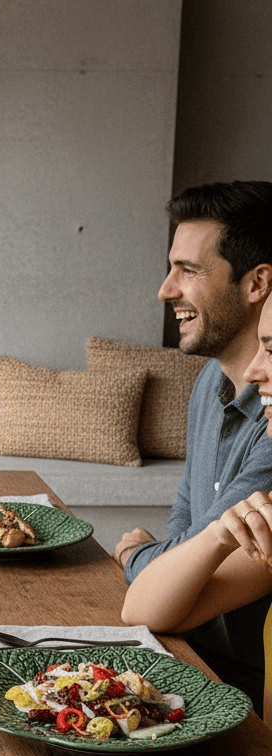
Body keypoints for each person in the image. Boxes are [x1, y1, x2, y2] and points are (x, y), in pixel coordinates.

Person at [118, 182, 272, 710]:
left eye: (188, 269)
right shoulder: (209, 382)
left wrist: (136, 554)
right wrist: (166, 561)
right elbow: (184, 535)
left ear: (257, 283)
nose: (165, 290)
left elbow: (159, 587)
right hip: (184, 656)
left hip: (228, 689)